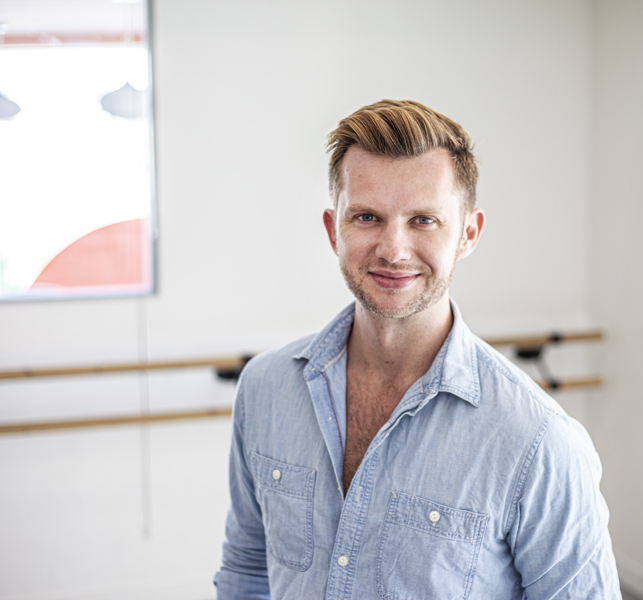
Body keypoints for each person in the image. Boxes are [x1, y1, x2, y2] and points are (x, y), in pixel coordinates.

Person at [214, 99, 621, 599]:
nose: (393, 249)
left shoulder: (539, 442)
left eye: (424, 220)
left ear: (468, 233)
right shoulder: (264, 389)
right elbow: (247, 570)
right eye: (366, 217)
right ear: (332, 229)